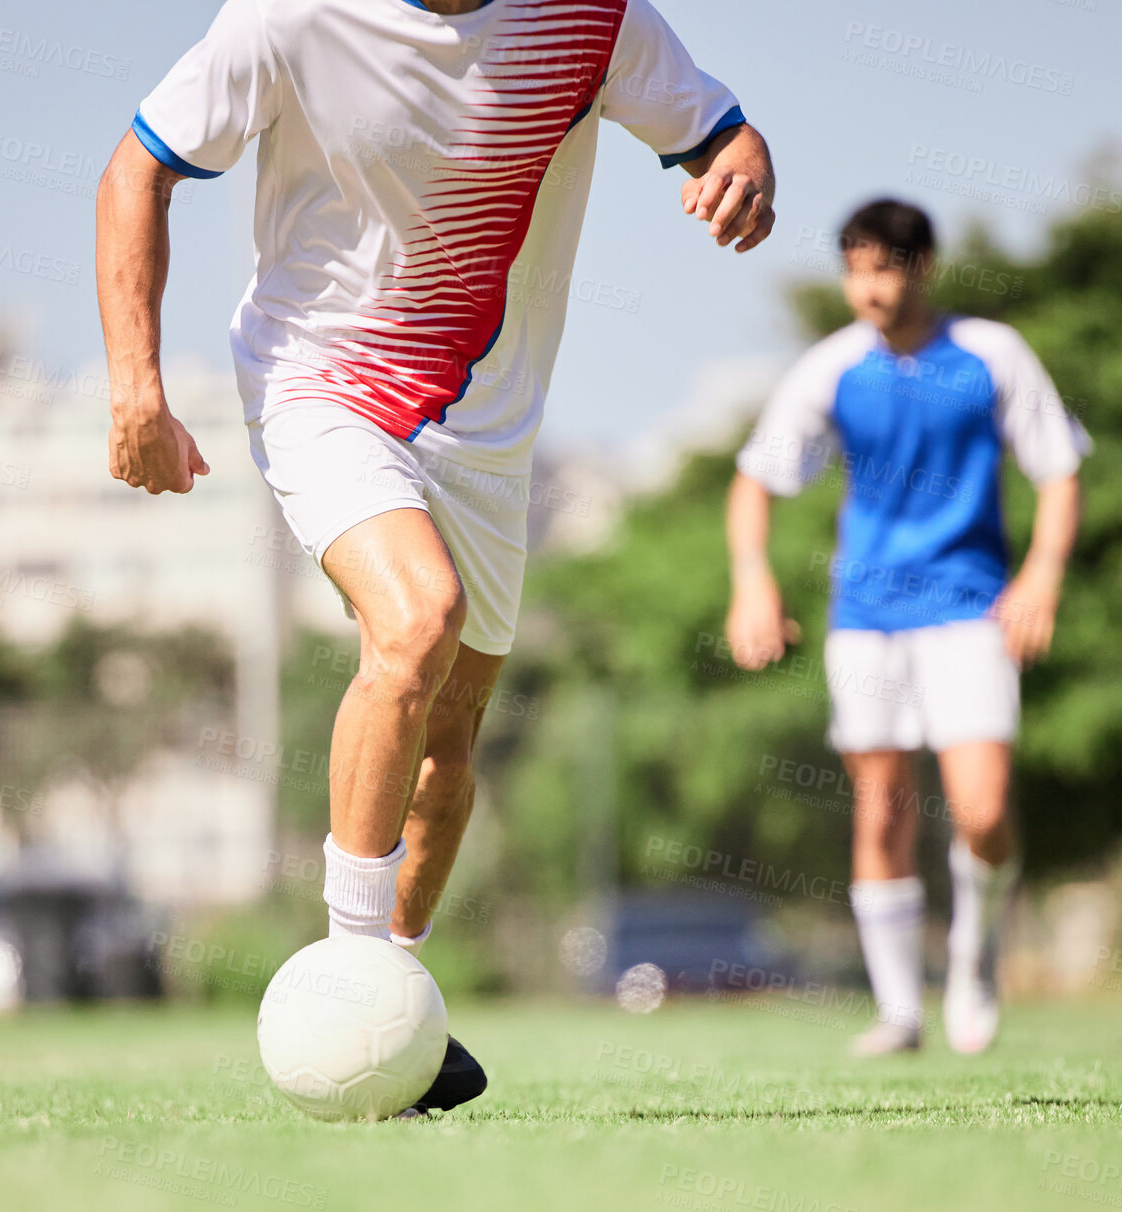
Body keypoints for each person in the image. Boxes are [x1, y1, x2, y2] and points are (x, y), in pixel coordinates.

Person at [98, 0, 775, 1111]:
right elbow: (137, 170)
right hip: (319, 380)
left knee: (447, 752)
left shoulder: (588, 17)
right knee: (414, 619)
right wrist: (135, 388)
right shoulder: (285, 16)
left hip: (488, 429)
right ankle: (346, 974)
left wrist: (742, 170)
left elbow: (712, 131)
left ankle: (391, 1010)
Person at [724, 199, 1088, 1056]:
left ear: (923, 267)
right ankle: (898, 1012)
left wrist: (1040, 575)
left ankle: (974, 954)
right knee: (880, 807)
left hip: (969, 608)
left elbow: (1060, 471)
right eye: (853, 269)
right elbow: (755, 480)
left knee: (982, 808)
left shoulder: (991, 355)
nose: (868, 288)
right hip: (865, 618)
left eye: (884, 268)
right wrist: (751, 583)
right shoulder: (832, 368)